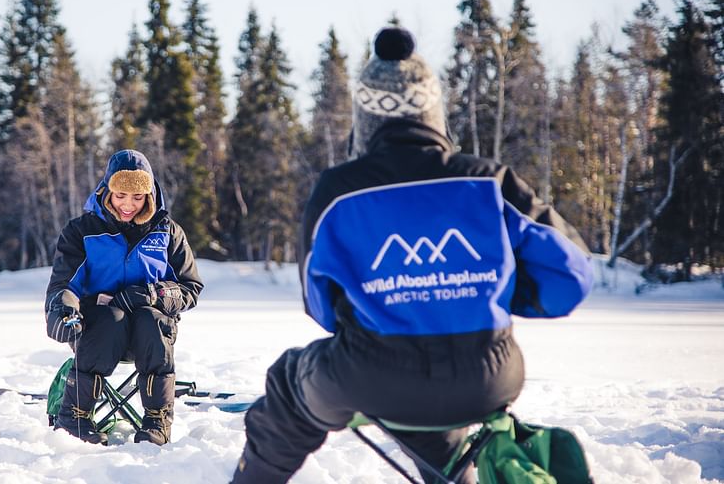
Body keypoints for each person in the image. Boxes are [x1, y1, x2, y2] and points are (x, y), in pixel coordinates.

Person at [231, 27, 593, 483]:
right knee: (431, 415)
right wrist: (482, 293)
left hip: (372, 376)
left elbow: (319, 306)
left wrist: (396, 302)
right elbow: (569, 279)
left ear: (365, 120)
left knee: (289, 383)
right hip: (488, 378)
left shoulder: (339, 192)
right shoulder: (488, 182)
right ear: (434, 113)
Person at [44, 149, 203, 445]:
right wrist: (61, 311)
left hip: (151, 333)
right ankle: (75, 416)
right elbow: (64, 285)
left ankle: (157, 421)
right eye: (120, 195)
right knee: (111, 318)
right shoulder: (82, 231)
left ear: (150, 196)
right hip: (97, 331)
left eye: (137, 197)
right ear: (107, 191)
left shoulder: (167, 232)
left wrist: (152, 294)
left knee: (149, 319)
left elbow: (190, 286)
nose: (128, 205)